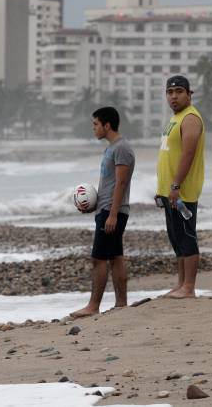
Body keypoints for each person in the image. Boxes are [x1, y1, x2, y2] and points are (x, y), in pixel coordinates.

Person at [72, 106, 135, 318]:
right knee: (116, 257)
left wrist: (113, 214)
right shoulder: (111, 148)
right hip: (106, 209)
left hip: (112, 211)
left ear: (107, 125)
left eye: (96, 124)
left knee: (98, 259)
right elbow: (109, 185)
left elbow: (121, 183)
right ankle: (121, 305)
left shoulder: (121, 148)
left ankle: (93, 306)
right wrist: (92, 205)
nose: (94, 128)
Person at [155, 75, 205, 299]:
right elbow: (168, 156)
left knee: (186, 236)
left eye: (179, 92)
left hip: (183, 191)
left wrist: (175, 185)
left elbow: (188, 154)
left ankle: (189, 287)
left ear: (189, 94)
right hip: (170, 191)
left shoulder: (190, 118)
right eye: (170, 92)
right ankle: (181, 284)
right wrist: (162, 189)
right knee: (175, 238)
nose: (173, 96)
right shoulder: (175, 118)